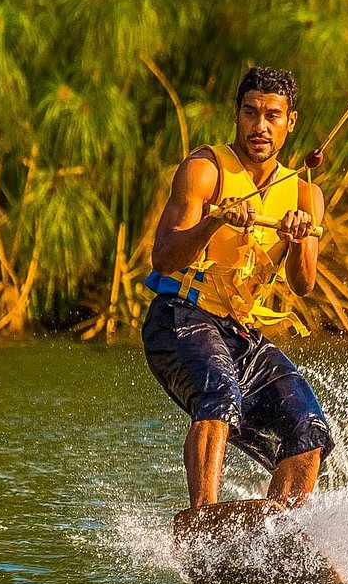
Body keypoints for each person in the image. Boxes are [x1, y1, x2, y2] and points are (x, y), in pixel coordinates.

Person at [143, 65, 334, 513]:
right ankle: (202, 517)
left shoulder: (306, 193)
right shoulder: (205, 170)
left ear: (291, 122)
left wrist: (299, 238)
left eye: (272, 115)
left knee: (310, 429)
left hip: (240, 332)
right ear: (237, 115)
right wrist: (214, 219)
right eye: (250, 113)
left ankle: (279, 532)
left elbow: (303, 285)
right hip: (181, 316)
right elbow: (164, 259)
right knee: (219, 395)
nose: (260, 126)